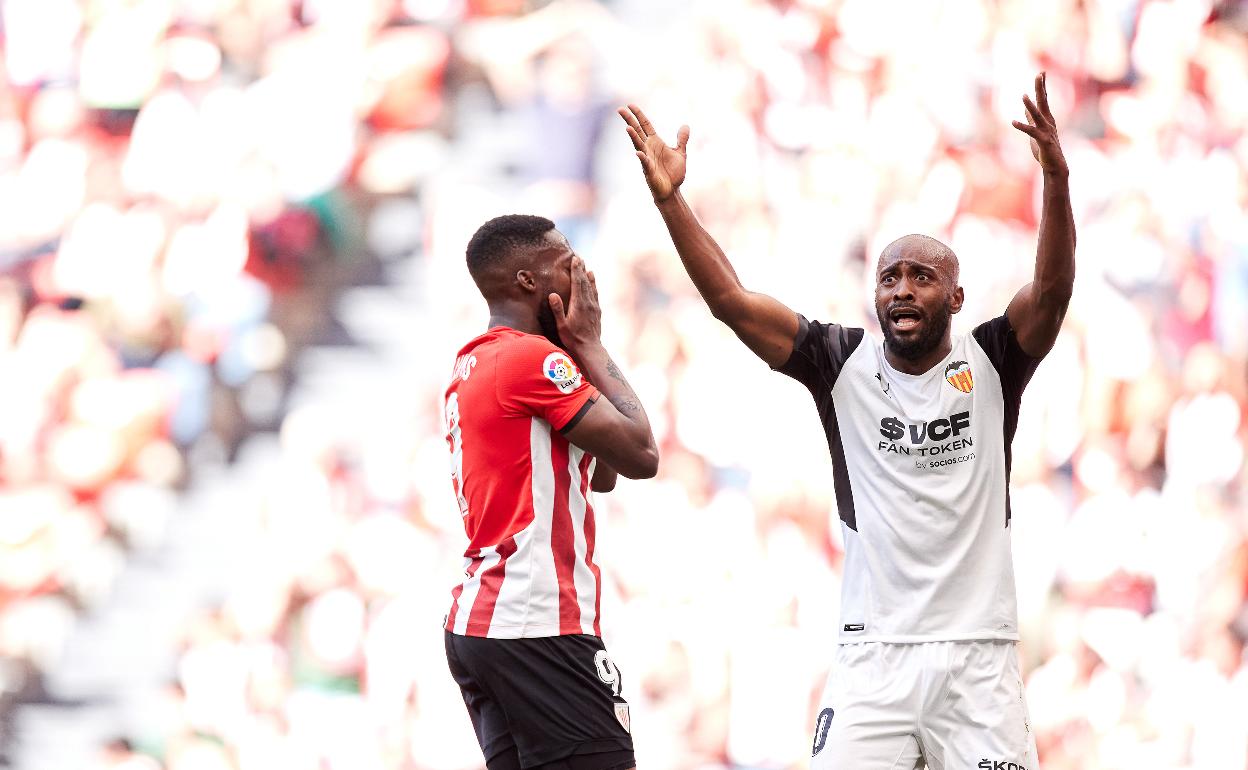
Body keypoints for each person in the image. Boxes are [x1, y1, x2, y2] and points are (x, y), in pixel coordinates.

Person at [619, 72, 1074, 770]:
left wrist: (1054, 180)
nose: (902, 289)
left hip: (977, 657)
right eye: (890, 278)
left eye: (921, 276)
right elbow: (732, 302)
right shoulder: (840, 363)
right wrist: (671, 199)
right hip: (874, 657)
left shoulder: (994, 361)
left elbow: (1051, 290)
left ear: (955, 295)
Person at [443, 214, 658, 770]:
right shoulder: (531, 360)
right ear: (528, 281)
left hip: (483, 625)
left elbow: (603, 471)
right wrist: (591, 342)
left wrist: (579, 352)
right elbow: (639, 455)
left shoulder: (478, 361)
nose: (582, 275)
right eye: (567, 262)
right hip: (537, 623)